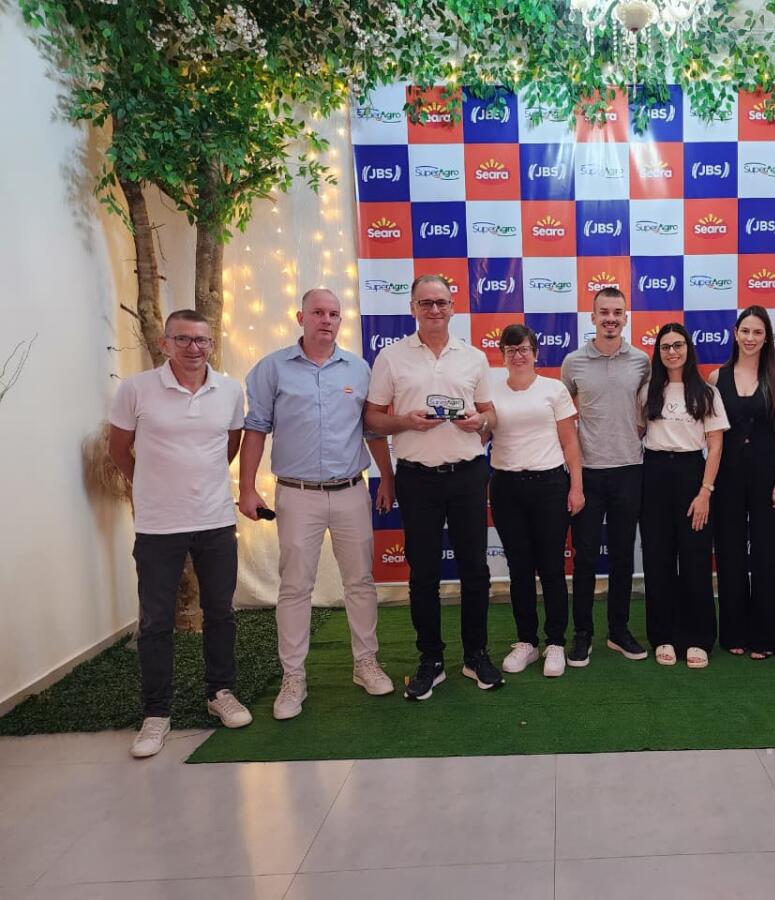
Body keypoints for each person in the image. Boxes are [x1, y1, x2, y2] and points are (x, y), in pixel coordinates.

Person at [239, 288, 395, 720]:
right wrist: (247, 488)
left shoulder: (359, 368)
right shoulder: (272, 368)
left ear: (341, 320)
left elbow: (372, 431)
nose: (326, 320)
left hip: (351, 491)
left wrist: (387, 478)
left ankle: (366, 663)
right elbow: (256, 429)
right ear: (300, 317)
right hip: (297, 494)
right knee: (294, 587)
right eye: (318, 312)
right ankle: (293, 678)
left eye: (334, 314)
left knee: (360, 581)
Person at [108, 309, 251, 758]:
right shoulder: (136, 389)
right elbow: (119, 448)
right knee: (155, 620)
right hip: (158, 525)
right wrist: (150, 486)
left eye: (201, 340)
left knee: (221, 612)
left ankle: (220, 693)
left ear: (211, 344)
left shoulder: (229, 390)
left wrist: (199, 483)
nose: (193, 348)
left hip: (215, 520)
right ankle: (156, 713)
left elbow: (230, 446)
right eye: (183, 339)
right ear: (165, 343)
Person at [365, 274, 502, 700]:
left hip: (467, 475)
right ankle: (431, 659)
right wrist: (404, 421)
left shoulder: (473, 357)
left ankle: (476, 655)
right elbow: (372, 419)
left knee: (475, 570)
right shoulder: (391, 357)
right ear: (413, 309)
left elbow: (491, 414)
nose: (435, 310)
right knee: (423, 573)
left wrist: (480, 421)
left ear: (453, 307)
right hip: (417, 478)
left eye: (441, 302)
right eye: (426, 303)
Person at [488, 325, 586, 678]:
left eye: (524, 349)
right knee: (519, 568)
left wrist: (576, 487)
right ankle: (527, 641)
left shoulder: (553, 389)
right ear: (502, 354)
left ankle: (555, 641)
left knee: (551, 567)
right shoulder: (490, 390)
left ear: (535, 353)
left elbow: (570, 442)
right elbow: (481, 433)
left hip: (549, 485)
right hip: (506, 486)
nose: (518, 355)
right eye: (511, 350)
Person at [560, 287, 651, 665]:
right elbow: (562, 414)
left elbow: (648, 408)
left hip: (630, 470)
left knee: (622, 557)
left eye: (617, 312)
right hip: (588, 473)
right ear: (593, 316)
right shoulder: (573, 362)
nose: (610, 319)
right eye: (604, 312)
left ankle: (618, 630)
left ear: (625, 317)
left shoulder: (642, 361)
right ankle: (582, 633)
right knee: (584, 559)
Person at [639, 323, 729, 668]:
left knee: (695, 560)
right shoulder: (648, 391)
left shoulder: (706, 392)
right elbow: (638, 432)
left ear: (688, 349)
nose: (672, 352)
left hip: (693, 475)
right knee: (658, 560)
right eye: (665, 347)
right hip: (654, 475)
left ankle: (698, 638)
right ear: (658, 352)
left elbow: (716, 445)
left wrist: (705, 492)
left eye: (678, 345)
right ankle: (663, 635)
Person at [708, 306, 775, 659]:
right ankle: (734, 633)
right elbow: (711, 435)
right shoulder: (716, 377)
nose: (750, 338)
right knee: (729, 553)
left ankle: (766, 636)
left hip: (767, 472)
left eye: (758, 332)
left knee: (767, 553)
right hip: (726, 474)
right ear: (735, 333)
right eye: (745, 331)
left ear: (767, 336)